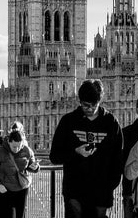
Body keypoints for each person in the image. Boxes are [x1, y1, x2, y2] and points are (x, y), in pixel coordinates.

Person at [50, 79, 124, 218]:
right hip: (75, 192)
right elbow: (54, 156)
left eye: (94, 105)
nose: (90, 109)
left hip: (102, 193)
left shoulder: (111, 122)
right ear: (80, 101)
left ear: (100, 101)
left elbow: (118, 159)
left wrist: (109, 186)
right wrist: (76, 152)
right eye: (86, 105)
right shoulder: (69, 121)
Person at [0, 128, 40, 218]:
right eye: (14, 146)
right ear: (9, 142)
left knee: (21, 215)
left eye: (19, 146)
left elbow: (30, 166)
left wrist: (36, 167)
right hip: (5, 189)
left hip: (22, 188)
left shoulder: (27, 150)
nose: (17, 149)